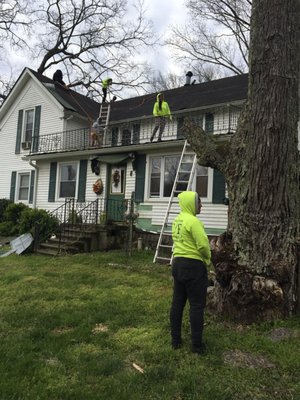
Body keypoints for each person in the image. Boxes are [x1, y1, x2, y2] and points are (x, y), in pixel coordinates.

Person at [170, 191, 211, 354]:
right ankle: (196, 346)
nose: (201, 205)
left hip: (178, 264)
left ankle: (175, 341)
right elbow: (202, 245)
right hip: (193, 267)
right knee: (196, 305)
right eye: (199, 202)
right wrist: (208, 259)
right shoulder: (194, 221)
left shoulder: (177, 220)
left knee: (177, 304)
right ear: (191, 204)